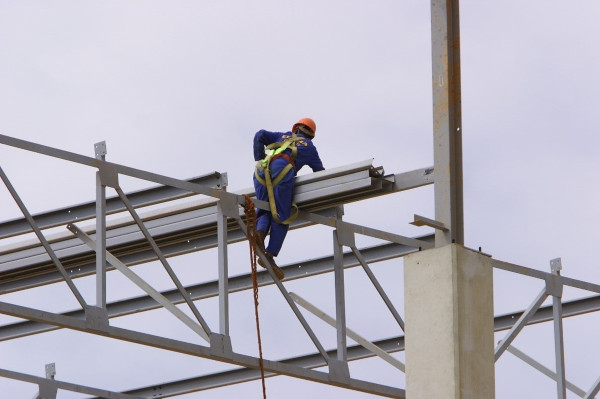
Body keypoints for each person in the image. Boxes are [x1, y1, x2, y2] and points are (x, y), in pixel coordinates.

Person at [253, 117, 324, 279]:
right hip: (282, 170)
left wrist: (259, 157)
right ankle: (270, 255)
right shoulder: (310, 147)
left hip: (261, 170)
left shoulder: (282, 135)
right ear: (311, 135)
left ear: (295, 129)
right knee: (282, 216)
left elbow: (260, 134)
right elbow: (320, 173)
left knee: (264, 209)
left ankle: (260, 232)